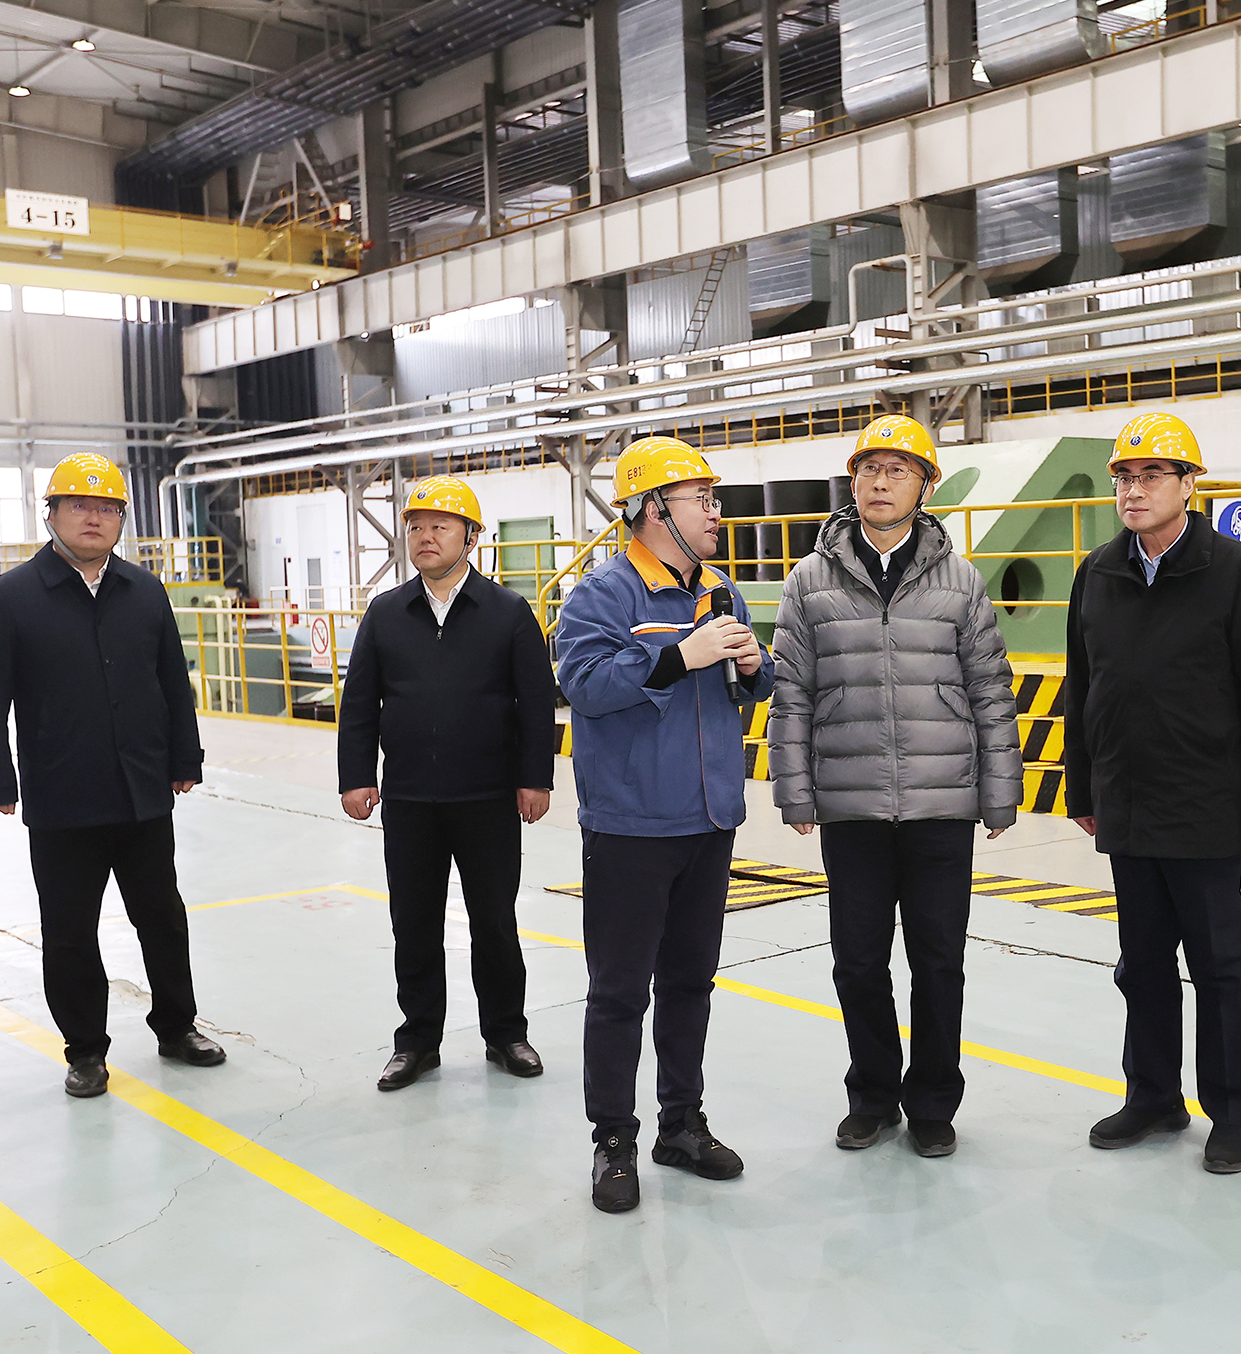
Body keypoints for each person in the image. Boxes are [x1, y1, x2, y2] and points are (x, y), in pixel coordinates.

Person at [768, 414, 1022, 1159]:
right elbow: (792, 695)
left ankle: (935, 1101)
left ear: (926, 487)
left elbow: (990, 689)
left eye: (897, 470)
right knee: (857, 962)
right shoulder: (809, 580)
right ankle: (873, 1095)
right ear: (852, 483)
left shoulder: (960, 580)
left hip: (941, 802)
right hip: (851, 803)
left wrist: (999, 791)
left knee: (939, 962)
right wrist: (795, 790)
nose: (880, 483)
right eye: (868, 469)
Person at [1062, 412, 1241, 1175]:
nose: (1134, 490)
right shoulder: (1096, 572)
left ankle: (1231, 1111)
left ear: (1190, 483)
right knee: (1143, 964)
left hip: (1206, 803)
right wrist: (1082, 785)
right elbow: (1082, 687)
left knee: (1221, 965)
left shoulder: (1239, 571)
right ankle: (1153, 1095)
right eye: (1124, 478)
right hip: (1126, 800)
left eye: (1152, 475)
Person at [556, 436, 774, 1214]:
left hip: (709, 820)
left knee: (689, 983)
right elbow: (581, 683)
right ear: (654, 509)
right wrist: (679, 656)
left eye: (715, 499)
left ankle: (681, 1122)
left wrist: (753, 668)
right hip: (630, 825)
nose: (716, 513)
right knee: (619, 992)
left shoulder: (722, 591)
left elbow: (749, 690)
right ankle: (614, 1139)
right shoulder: (602, 595)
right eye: (701, 500)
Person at [0, 452, 225, 1098]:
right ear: (51, 514)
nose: (94, 517)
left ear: (121, 520)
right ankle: (85, 1050)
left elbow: (172, 681)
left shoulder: (144, 590)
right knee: (70, 932)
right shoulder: (9, 597)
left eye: (107, 507)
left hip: (143, 791)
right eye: (79, 505)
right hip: (63, 795)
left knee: (162, 917)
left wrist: (184, 759)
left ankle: (177, 1027)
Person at [338, 474, 557, 1093]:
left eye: (439, 525)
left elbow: (535, 703)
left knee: (494, 921)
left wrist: (534, 778)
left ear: (471, 537)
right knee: (413, 924)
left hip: (487, 796)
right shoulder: (386, 613)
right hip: (409, 799)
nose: (424, 536)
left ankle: (506, 1034)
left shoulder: (508, 613)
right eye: (415, 526)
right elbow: (359, 704)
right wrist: (356, 777)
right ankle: (417, 1041)